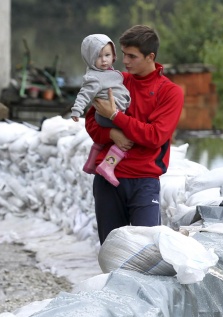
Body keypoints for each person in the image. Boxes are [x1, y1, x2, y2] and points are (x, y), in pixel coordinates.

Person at [85, 25, 184, 244]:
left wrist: (116, 116)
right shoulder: (114, 81)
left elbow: (155, 136)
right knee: (112, 248)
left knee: (146, 249)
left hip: (144, 181)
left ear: (151, 57)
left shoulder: (170, 92)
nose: (125, 61)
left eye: (132, 56)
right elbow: (91, 122)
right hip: (107, 181)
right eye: (123, 54)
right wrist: (112, 134)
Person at [70, 34, 131, 184]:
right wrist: (77, 109)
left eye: (107, 55)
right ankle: (108, 165)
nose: (104, 60)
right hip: (107, 114)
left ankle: (91, 163)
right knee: (129, 135)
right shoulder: (94, 77)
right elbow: (84, 94)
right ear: (90, 58)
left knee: (100, 142)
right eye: (98, 56)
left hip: (107, 114)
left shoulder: (108, 73)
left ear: (113, 55)